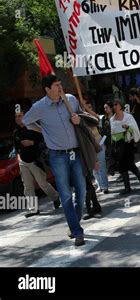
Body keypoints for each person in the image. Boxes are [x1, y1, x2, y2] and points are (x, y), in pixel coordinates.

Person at [22, 74, 87, 247]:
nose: (60, 88)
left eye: (60, 84)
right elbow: (25, 120)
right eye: (56, 85)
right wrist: (43, 131)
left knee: (82, 191)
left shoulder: (70, 100)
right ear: (47, 89)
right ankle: (77, 231)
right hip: (57, 156)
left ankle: (75, 222)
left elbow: (82, 117)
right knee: (65, 194)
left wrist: (78, 119)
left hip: (76, 152)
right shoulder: (39, 107)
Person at [14, 110, 60, 217]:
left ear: (25, 116)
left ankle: (55, 197)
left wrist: (32, 143)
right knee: (27, 187)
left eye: (20, 115)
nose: (17, 118)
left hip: (35, 160)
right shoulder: (16, 132)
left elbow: (45, 142)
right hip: (23, 162)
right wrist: (18, 158)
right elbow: (16, 148)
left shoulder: (33, 127)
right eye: (16, 116)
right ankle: (33, 209)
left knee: (42, 184)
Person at [110, 99, 140, 194]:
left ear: (120, 105)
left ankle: (139, 176)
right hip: (117, 145)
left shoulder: (128, 117)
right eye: (113, 105)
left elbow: (135, 130)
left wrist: (127, 127)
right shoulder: (112, 119)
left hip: (127, 143)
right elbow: (111, 133)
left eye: (116, 104)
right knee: (121, 165)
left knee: (129, 164)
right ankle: (127, 187)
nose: (114, 106)